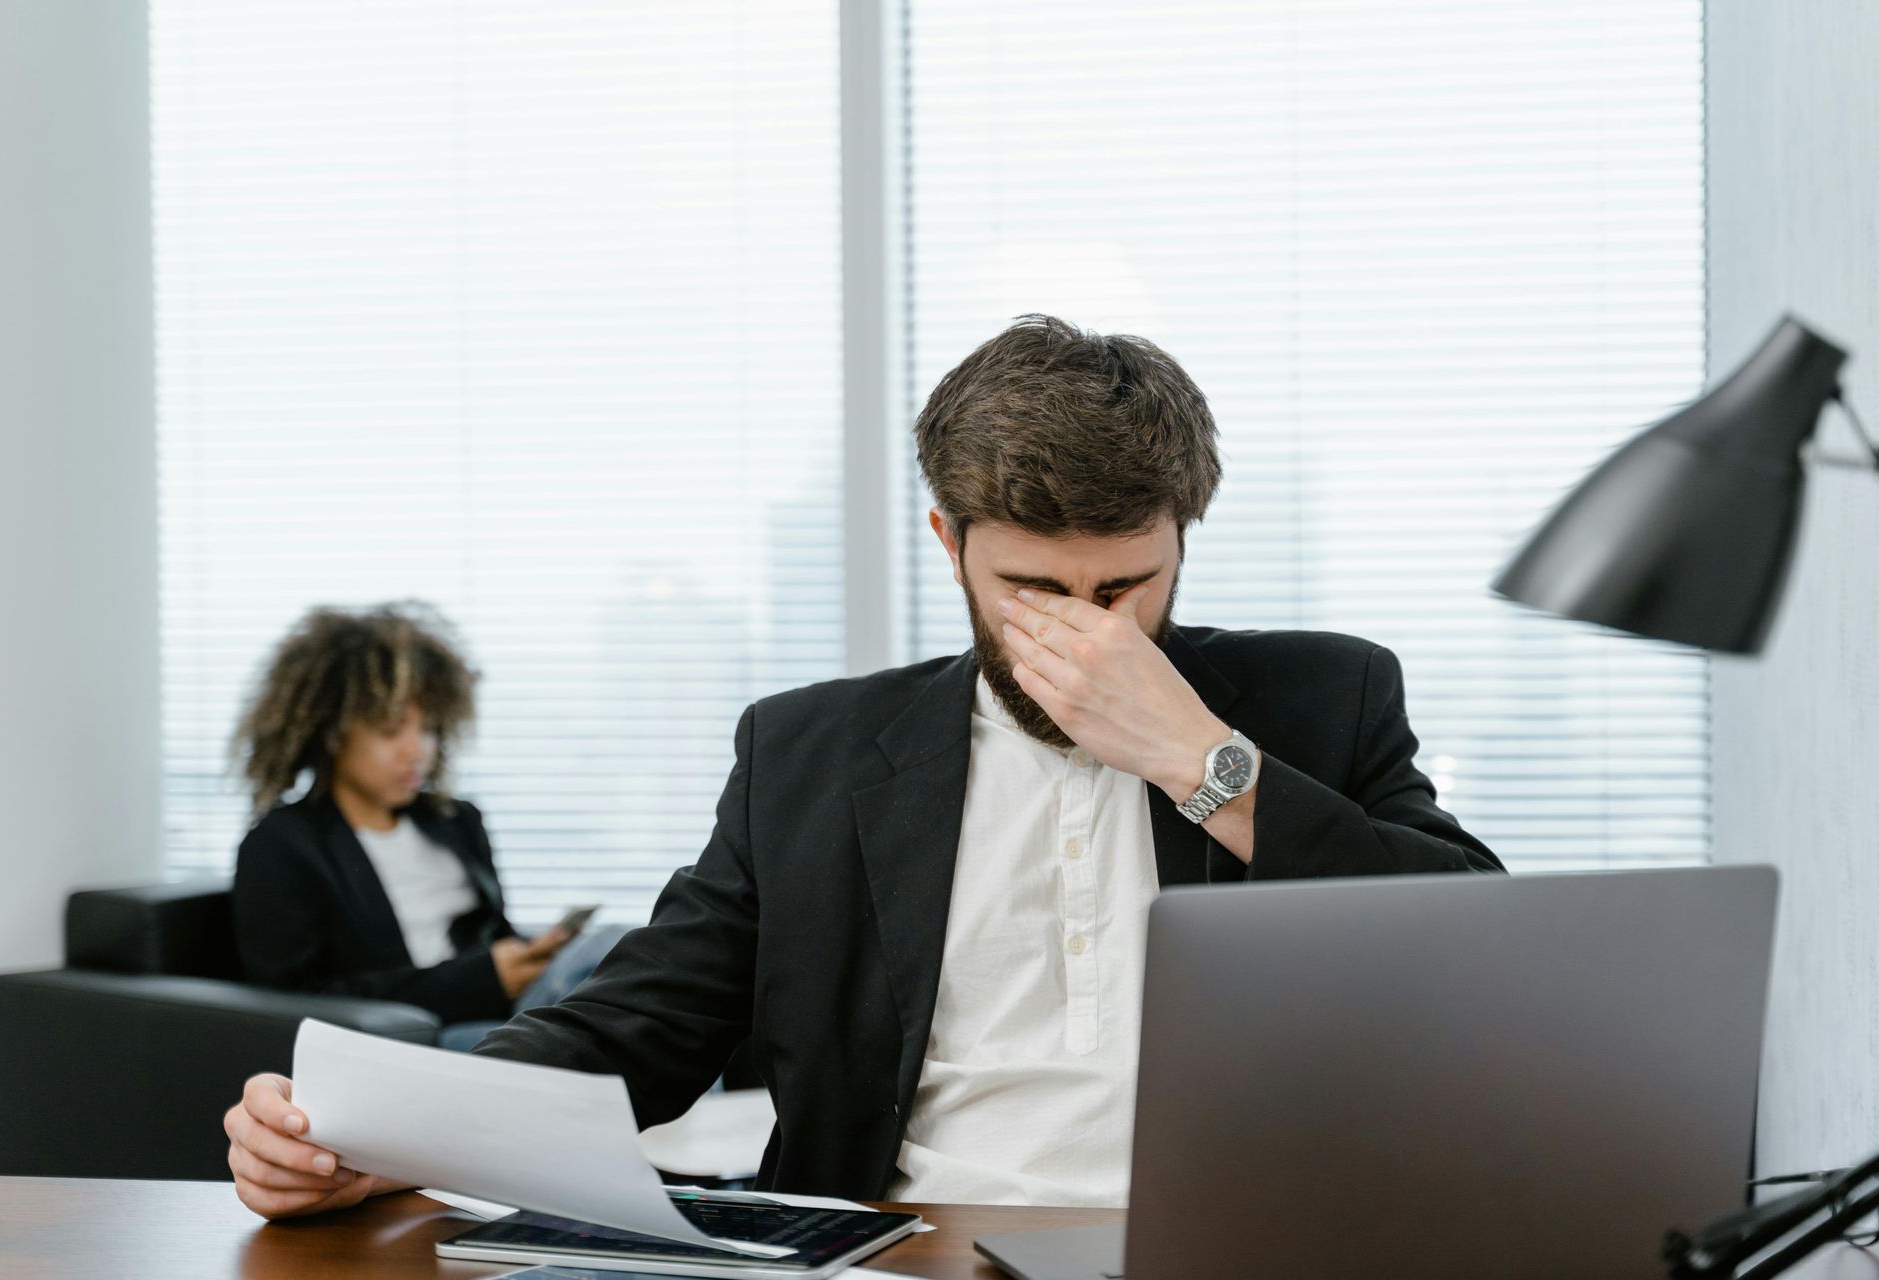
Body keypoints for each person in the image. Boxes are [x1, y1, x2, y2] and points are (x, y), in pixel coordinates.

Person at [223, 315, 1504, 1218]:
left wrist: (1198, 757)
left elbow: (1479, 962)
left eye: (1128, 587)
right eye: (1032, 589)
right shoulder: (810, 752)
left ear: (1184, 537)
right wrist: (387, 1136)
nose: (1086, 632)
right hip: (904, 1245)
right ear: (950, 544)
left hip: (1228, 1245)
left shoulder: (1321, 697)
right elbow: (642, 1024)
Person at [229, 602, 619, 1051]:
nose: (417, 751)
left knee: (619, 959)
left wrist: (532, 955)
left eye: (430, 729)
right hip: (427, 1037)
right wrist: (483, 979)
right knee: (617, 992)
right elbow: (298, 1003)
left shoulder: (456, 821)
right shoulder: (282, 845)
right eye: (392, 730)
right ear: (333, 733)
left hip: (510, 1014)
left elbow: (492, 936)